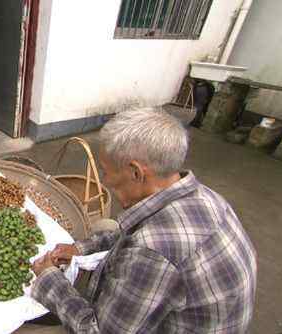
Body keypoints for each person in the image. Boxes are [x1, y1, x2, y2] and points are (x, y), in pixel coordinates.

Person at [30, 108, 257, 333]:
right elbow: (131, 233)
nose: (104, 181)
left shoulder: (153, 249)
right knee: (107, 227)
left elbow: (98, 331)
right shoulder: (204, 196)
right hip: (203, 313)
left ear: (136, 173)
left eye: (106, 171)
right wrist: (80, 248)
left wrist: (49, 279)